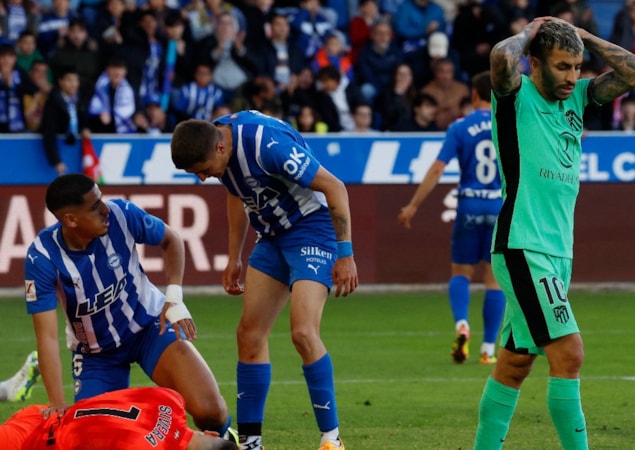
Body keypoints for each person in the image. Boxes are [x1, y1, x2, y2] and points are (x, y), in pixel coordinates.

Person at [473, 17, 635, 450]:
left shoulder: (580, 99)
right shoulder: (515, 96)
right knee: (569, 353)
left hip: (555, 252)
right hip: (523, 244)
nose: (573, 76)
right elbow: (500, 57)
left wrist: (585, 38)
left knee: (515, 364)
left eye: (577, 66)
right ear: (535, 64)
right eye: (562, 66)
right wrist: (532, 31)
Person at [170, 110, 359, 450]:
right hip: (271, 236)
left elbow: (335, 187)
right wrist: (233, 256)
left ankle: (332, 439)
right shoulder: (220, 147)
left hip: (313, 230)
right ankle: (251, 442)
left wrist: (345, 253)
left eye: (201, 170)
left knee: (302, 332)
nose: (201, 179)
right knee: (249, 334)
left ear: (219, 149)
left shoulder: (266, 145)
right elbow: (235, 192)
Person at [24, 174, 232, 438]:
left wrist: (174, 297)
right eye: (94, 206)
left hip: (150, 328)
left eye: (101, 199)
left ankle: (229, 440)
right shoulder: (41, 257)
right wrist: (56, 401)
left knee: (210, 412)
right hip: (96, 355)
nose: (105, 209)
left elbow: (172, 240)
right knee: (93, 437)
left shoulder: (123, 215)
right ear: (71, 220)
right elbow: (47, 336)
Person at [397, 71, 506, 365]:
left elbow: (437, 169)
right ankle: (487, 350)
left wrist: (413, 206)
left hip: (469, 205)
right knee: (494, 279)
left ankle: (462, 325)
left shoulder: (459, 127)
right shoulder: (508, 124)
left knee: (461, 272)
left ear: (473, 95)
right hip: (498, 207)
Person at [0, 387, 238, 450]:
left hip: (43, 414)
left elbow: (109, 398)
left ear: (211, 433)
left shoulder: (171, 399)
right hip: (29, 444)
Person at [40, 66, 90, 175]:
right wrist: (56, 161)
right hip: (60, 149)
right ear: (61, 82)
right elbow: (49, 133)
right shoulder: (53, 102)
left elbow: (83, 119)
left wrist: (83, 129)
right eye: (69, 80)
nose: (73, 84)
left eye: (76, 80)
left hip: (76, 150)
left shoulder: (81, 99)